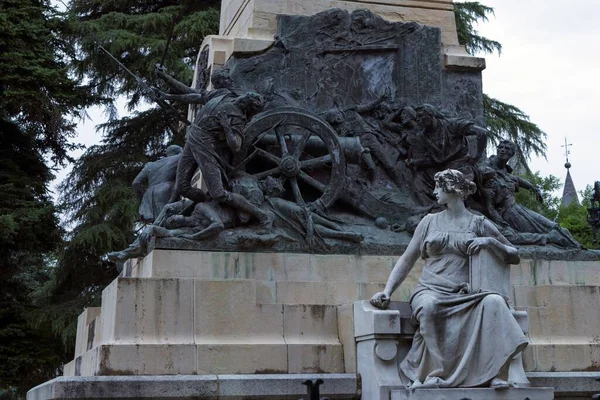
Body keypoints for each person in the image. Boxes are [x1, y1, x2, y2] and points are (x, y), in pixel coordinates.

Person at [370, 169, 527, 389]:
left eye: (439, 187)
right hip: (430, 290)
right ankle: (436, 374)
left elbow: (514, 255)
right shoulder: (429, 222)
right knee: (429, 307)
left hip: (467, 293)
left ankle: (496, 373)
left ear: (453, 190)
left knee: (495, 302)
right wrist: (387, 291)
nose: (434, 192)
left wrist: (490, 243)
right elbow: (407, 259)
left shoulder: (479, 224)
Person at [480, 140, 582, 248]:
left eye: (507, 148)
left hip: (519, 209)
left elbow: (517, 179)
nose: (502, 150)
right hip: (509, 215)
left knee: (555, 227)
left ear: (512, 154)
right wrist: (502, 224)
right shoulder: (487, 171)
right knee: (544, 233)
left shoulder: (506, 173)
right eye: (501, 147)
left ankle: (579, 248)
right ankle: (560, 243)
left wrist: (533, 188)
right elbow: (490, 207)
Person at [132, 144, 182, 223]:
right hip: (167, 190)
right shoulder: (178, 158)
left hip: (149, 195)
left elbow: (135, 183)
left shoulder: (150, 165)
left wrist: (142, 199)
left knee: (158, 223)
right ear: (179, 152)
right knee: (168, 221)